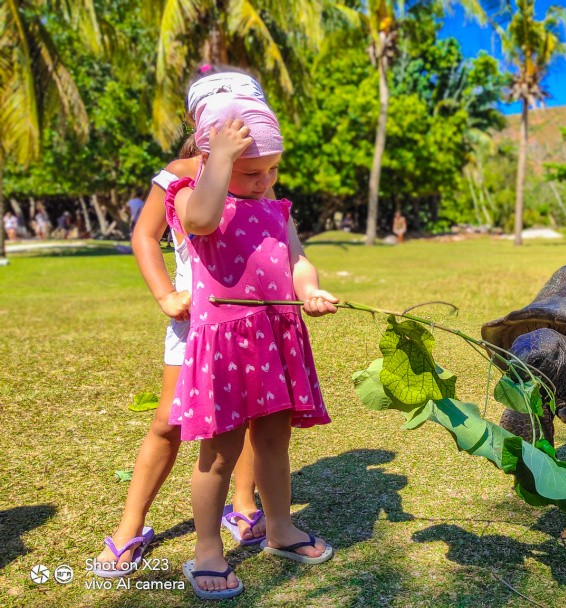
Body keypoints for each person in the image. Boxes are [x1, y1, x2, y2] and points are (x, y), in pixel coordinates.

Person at [93, 68, 272, 580]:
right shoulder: (179, 172)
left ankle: (243, 504)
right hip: (194, 325)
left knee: (249, 417)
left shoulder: (258, 172)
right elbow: (145, 235)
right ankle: (131, 526)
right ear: (202, 123)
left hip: (248, 322)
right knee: (168, 422)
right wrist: (165, 294)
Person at [166, 93, 337, 599]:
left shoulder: (275, 208)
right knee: (219, 453)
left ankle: (280, 528)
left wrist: (307, 289)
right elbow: (200, 221)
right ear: (211, 161)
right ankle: (206, 552)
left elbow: (297, 258)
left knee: (274, 441)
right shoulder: (189, 197)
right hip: (226, 343)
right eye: (250, 173)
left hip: (276, 335)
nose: (263, 182)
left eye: (271, 170)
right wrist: (216, 163)